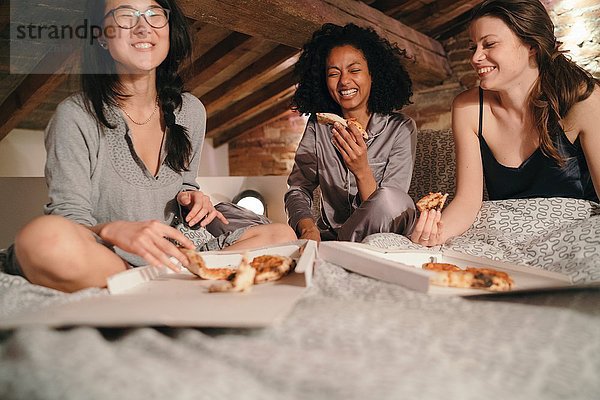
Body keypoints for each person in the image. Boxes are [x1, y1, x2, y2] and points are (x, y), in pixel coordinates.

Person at [4, 0, 295, 292]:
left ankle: (176, 278)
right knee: (42, 240)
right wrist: (111, 230)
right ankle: (159, 281)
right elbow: (69, 218)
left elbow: (186, 184)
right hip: (110, 258)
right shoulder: (76, 116)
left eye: (154, 14)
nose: (143, 27)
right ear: (102, 36)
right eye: (125, 15)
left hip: (176, 253)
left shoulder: (190, 110)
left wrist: (193, 198)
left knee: (281, 234)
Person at [411, 0, 600, 246]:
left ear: (531, 45)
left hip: (572, 236)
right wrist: (432, 237)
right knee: (387, 244)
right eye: (473, 47)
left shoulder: (583, 101)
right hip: (501, 235)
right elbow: (468, 202)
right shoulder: (468, 108)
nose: (476, 57)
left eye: (489, 44)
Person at [285, 23, 417, 243]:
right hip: (330, 235)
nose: (344, 81)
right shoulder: (318, 127)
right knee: (228, 213)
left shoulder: (400, 128)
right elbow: (298, 188)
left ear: (373, 74)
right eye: (333, 73)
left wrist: (362, 170)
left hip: (380, 234)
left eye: (354, 70)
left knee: (392, 199)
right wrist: (308, 228)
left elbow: (390, 209)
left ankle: (344, 246)